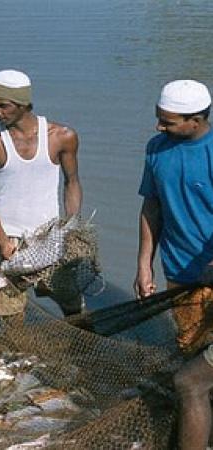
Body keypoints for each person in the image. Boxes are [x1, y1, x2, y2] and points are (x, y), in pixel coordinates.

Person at [131, 79, 211, 449]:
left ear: (196, 120)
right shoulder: (157, 149)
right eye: (158, 118)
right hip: (179, 271)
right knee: (191, 354)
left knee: (197, 375)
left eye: (169, 121)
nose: (159, 127)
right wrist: (144, 263)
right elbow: (152, 207)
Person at [0, 69, 82, 317]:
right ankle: (17, 351)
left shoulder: (62, 137)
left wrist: (70, 227)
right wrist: (1, 241)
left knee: (70, 301)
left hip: (48, 235)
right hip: (5, 235)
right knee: (8, 309)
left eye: (3, 106)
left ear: (24, 104)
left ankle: (83, 346)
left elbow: (71, 183)